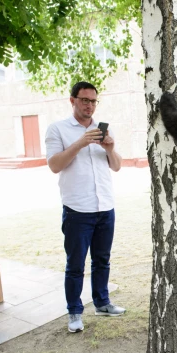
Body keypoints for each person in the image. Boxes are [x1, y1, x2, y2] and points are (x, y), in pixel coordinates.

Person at [45, 81, 126, 333]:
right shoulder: (57, 129)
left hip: (105, 206)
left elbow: (116, 166)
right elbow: (54, 165)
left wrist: (110, 148)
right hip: (78, 209)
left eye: (93, 101)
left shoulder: (103, 130)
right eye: (84, 100)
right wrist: (80, 143)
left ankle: (102, 303)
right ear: (72, 100)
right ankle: (74, 312)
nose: (89, 105)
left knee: (102, 260)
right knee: (75, 264)